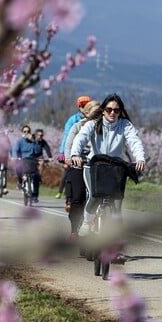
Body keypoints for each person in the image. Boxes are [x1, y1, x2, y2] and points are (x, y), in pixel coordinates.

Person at [70, 93, 146, 243]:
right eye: (109, 109)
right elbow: (81, 138)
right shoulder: (93, 123)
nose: (112, 113)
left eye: (116, 110)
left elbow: (134, 141)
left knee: (117, 206)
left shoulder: (125, 125)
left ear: (120, 111)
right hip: (94, 166)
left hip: (116, 168)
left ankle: (116, 247)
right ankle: (86, 222)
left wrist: (140, 158)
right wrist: (75, 154)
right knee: (94, 196)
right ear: (103, 109)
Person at [63, 100, 100, 241]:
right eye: (94, 112)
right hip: (78, 164)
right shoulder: (77, 126)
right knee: (77, 198)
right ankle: (74, 230)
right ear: (86, 112)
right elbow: (69, 145)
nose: (98, 115)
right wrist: (69, 157)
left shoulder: (103, 128)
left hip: (96, 166)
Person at [55, 95, 92, 199]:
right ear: (79, 107)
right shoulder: (73, 120)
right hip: (73, 152)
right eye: (82, 106)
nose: (85, 108)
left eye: (88, 106)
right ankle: (69, 198)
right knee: (70, 174)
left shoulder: (95, 119)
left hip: (90, 153)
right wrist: (62, 152)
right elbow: (67, 136)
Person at [12, 124, 43, 203]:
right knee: (18, 167)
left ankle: (35, 196)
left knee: (36, 176)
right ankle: (19, 181)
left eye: (28, 131)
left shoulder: (33, 141)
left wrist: (34, 141)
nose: (26, 133)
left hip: (32, 160)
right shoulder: (20, 141)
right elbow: (15, 150)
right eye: (24, 131)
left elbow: (38, 151)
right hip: (23, 159)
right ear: (22, 132)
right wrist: (14, 157)